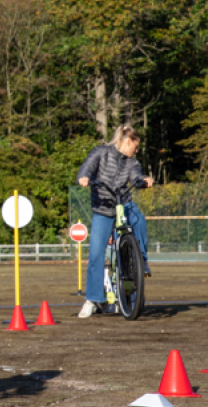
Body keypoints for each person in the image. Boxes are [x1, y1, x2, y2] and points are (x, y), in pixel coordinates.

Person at [75, 124, 154, 319]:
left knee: (139, 219)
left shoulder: (132, 163)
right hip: (103, 208)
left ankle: (141, 260)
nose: (136, 151)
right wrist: (84, 177)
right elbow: (86, 168)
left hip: (123, 204)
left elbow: (136, 177)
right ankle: (93, 299)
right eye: (135, 146)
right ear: (127, 141)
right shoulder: (100, 153)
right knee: (96, 253)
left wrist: (144, 180)